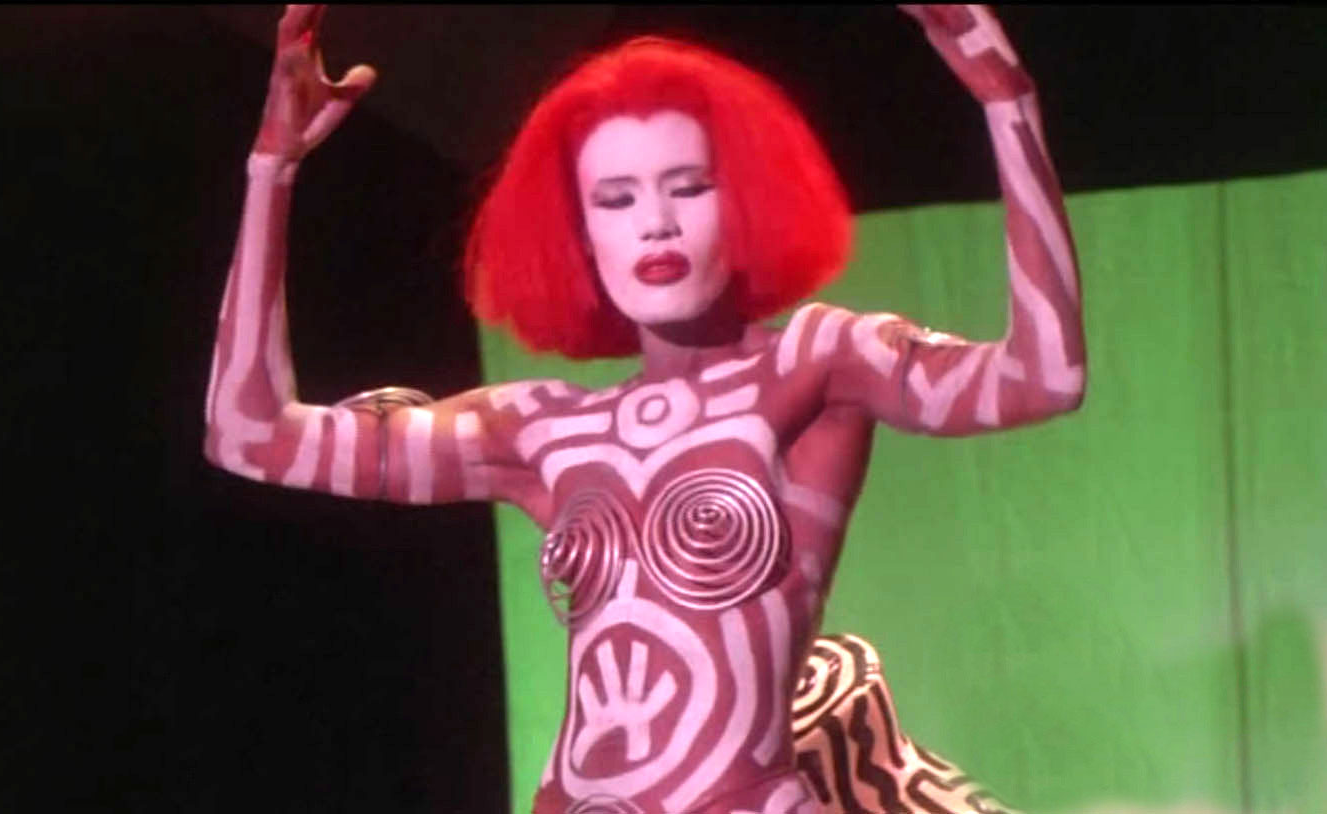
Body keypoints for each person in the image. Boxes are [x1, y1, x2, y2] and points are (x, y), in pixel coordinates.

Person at [203, 4, 1085, 813]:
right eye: (615, 200)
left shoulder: (816, 365)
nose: (654, 224)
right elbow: (249, 435)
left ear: (744, 201)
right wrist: (270, 171)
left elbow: (1042, 376)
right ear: (581, 235)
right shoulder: (543, 428)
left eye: (688, 187)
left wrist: (1008, 106)